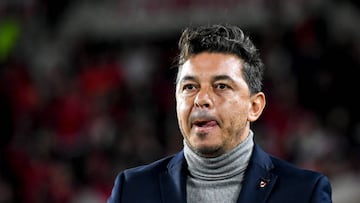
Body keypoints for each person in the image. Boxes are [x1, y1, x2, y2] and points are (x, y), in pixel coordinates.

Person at [107, 24, 332, 203]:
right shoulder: (132, 189)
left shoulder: (304, 192)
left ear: (254, 106)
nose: (202, 99)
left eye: (221, 86)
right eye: (189, 87)